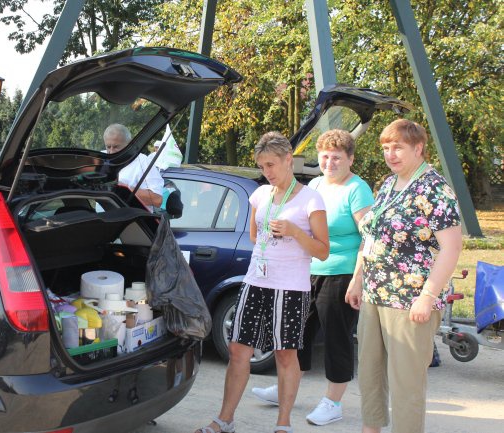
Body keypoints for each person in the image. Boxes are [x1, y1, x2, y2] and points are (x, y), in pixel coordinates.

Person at [195, 131, 329, 433]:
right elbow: (256, 237)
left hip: (291, 288)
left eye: (271, 165)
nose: (266, 172)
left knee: (285, 354)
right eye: (262, 166)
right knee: (238, 350)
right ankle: (224, 420)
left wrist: (295, 232)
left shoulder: (311, 198)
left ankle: (283, 424)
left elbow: (322, 250)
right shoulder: (260, 194)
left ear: (287, 160)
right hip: (255, 282)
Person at [345, 119, 462, 433]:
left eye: (398, 147)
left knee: (406, 384)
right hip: (374, 292)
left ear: (418, 148)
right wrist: (358, 279)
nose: (390, 154)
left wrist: (428, 296)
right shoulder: (389, 183)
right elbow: (372, 236)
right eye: (386, 148)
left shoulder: (434, 188)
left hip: (410, 300)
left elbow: (451, 248)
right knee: (369, 374)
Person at [252, 130, 374, 426]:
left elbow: (369, 238)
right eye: (324, 156)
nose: (329, 162)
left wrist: (358, 279)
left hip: (341, 272)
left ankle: (333, 402)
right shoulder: (316, 184)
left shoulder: (357, 189)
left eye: (336, 157)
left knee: (336, 337)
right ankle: (285, 390)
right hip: (307, 272)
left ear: (350, 159)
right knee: (298, 334)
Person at [103, 123, 163, 209]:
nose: (111, 152)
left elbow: (157, 199)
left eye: (116, 147)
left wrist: (121, 189)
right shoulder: (101, 158)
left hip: (134, 221)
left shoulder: (143, 162)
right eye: (108, 147)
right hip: (102, 220)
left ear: (129, 144)